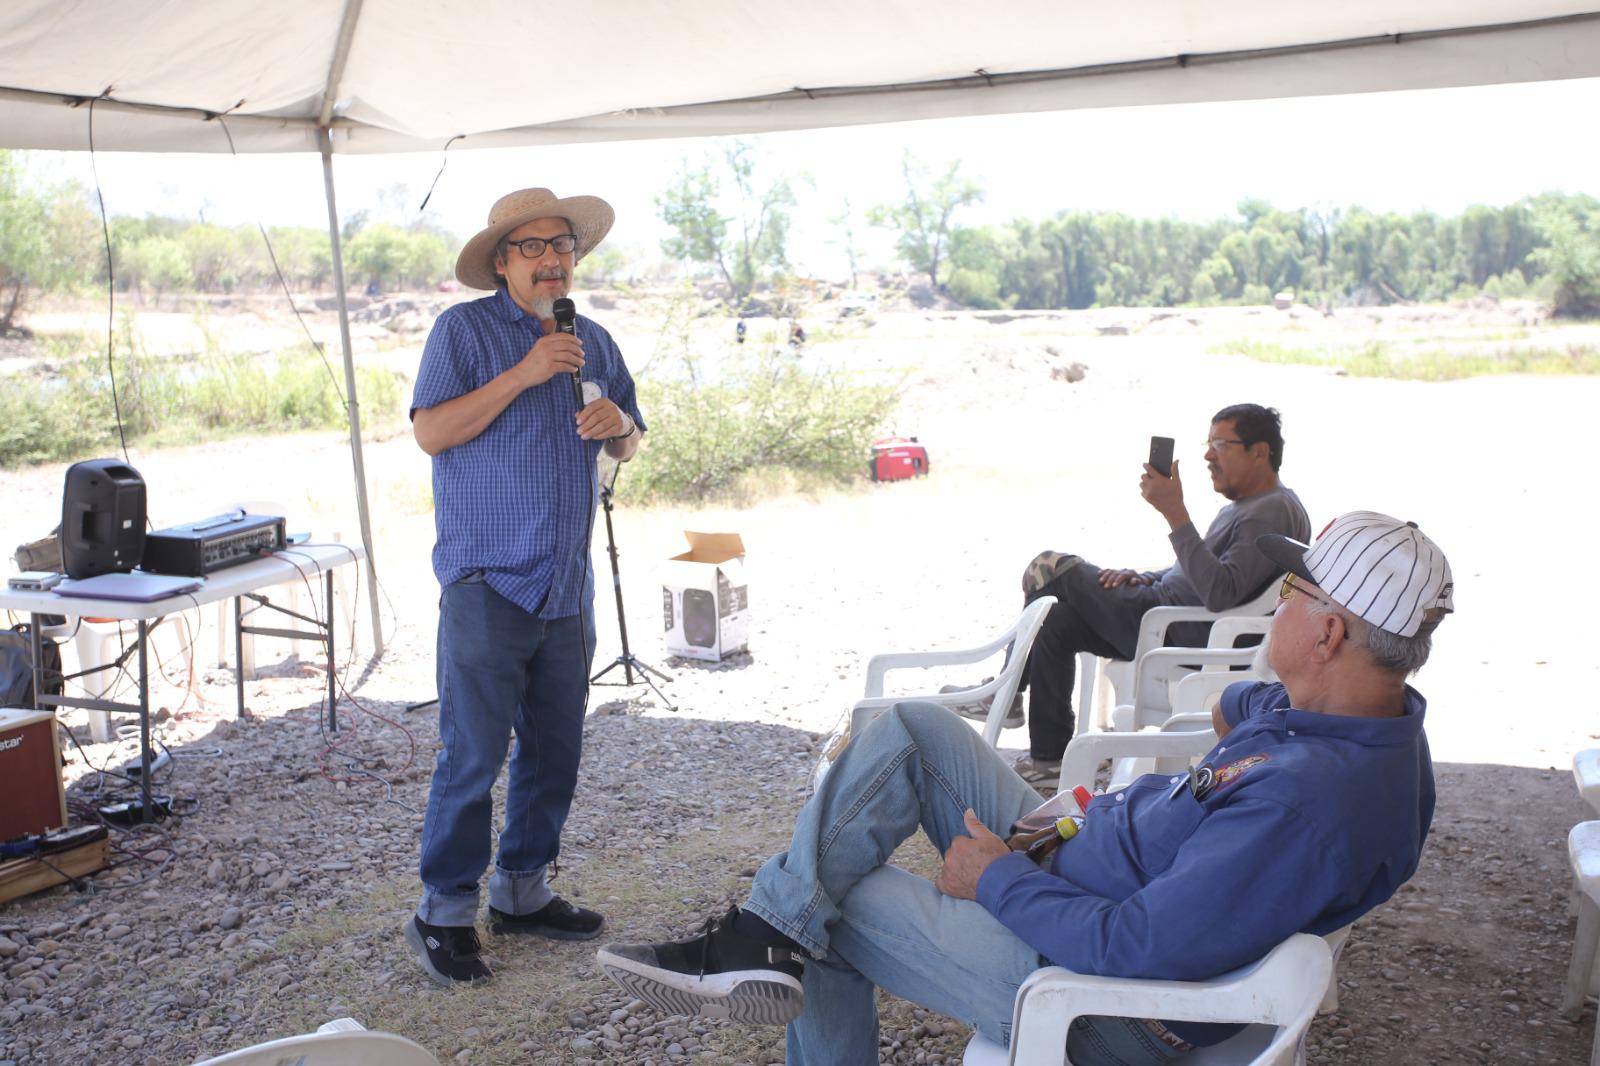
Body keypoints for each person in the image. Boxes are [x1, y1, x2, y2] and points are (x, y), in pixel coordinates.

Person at [597, 511, 1452, 1065]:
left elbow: (1135, 949)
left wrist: (995, 878)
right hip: (1075, 856)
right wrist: (1055, 843)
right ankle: (766, 931)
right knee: (911, 729)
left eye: (1291, 597)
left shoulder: (1306, 804)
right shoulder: (1358, 720)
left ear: (1331, 632)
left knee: (834, 901)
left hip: (1107, 996)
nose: (1273, 612)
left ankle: (768, 934)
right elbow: (1244, 707)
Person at [404, 187, 646, 986]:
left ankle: (522, 890)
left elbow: (632, 443)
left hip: (566, 587)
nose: (551, 259)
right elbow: (432, 432)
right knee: (473, 755)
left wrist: (621, 428)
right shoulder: (463, 332)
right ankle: (442, 913)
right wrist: (526, 370)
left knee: (554, 753)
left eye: (562, 245)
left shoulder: (594, 338)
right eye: (533, 246)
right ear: (502, 261)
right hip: (488, 582)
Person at [1004, 403, 1310, 785]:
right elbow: (1196, 572)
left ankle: (1006, 692)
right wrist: (1145, 578)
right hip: (1159, 609)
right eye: (1208, 443)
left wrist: (1174, 511)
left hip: (1173, 626)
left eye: (1220, 444)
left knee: (1049, 566)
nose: (1208, 455)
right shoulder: (1248, 507)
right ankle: (1048, 757)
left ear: (1259, 451)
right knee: (1058, 621)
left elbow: (1220, 591)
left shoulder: (1272, 510)